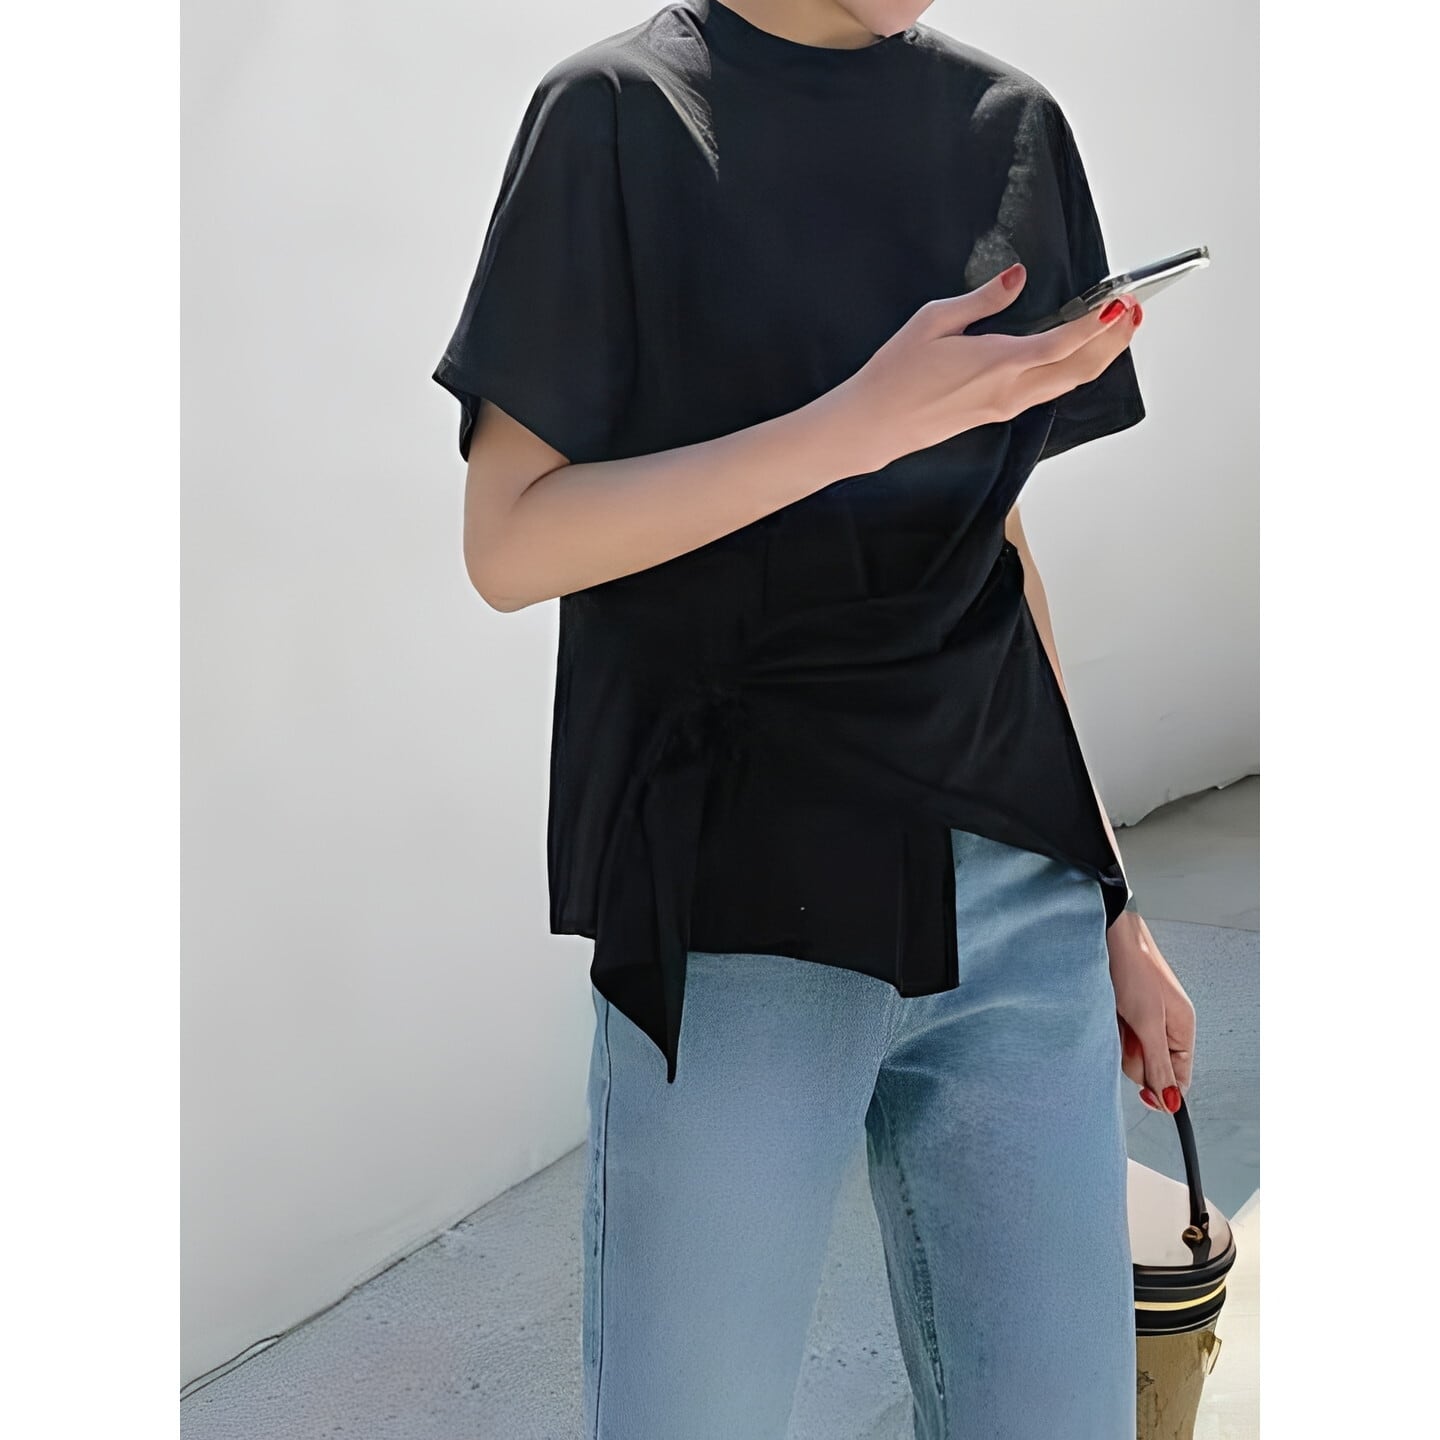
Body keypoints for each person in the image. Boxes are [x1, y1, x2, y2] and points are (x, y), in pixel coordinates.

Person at [432, 2, 1198, 1435]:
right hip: (740, 905)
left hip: (1016, 892)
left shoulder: (1010, 127)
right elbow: (511, 542)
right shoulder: (617, 116)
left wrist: (1110, 898)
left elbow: (992, 539)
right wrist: (856, 425)